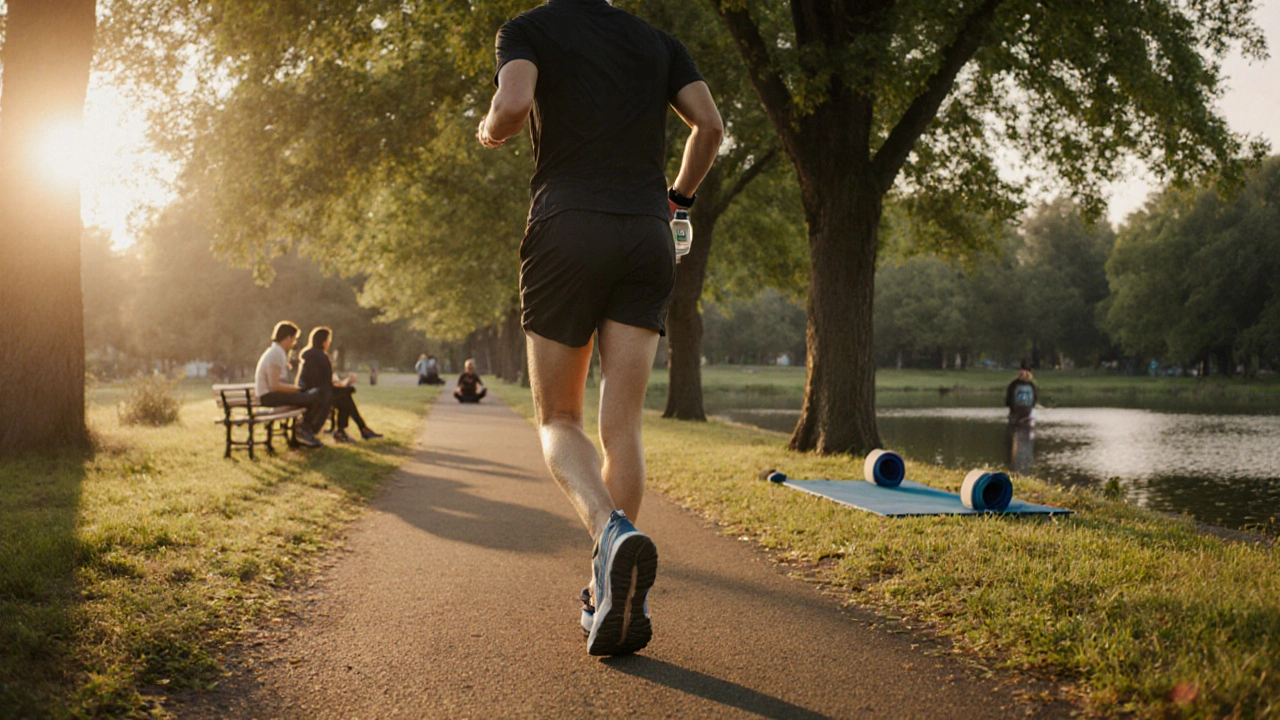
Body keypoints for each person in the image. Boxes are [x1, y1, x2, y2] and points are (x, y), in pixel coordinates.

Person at [479, 0, 721, 656]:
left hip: (567, 224)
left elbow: (514, 104)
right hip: (648, 231)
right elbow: (710, 127)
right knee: (624, 428)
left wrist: (490, 130)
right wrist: (678, 201)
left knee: (558, 418)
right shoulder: (659, 43)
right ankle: (604, 591)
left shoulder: (527, 29)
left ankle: (609, 534)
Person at [297, 327, 383, 442]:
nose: (329, 343)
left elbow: (322, 382)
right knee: (347, 394)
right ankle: (355, 430)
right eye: (329, 340)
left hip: (312, 392)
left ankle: (353, 430)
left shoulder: (308, 355)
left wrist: (343, 384)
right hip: (318, 396)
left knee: (345, 396)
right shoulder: (321, 357)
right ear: (324, 341)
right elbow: (325, 385)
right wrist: (345, 385)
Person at [254, 321, 327, 448]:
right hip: (269, 396)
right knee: (315, 396)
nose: (294, 342)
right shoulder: (275, 353)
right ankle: (303, 431)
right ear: (288, 337)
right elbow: (274, 385)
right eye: (294, 338)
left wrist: (298, 391)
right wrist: (297, 390)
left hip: (272, 395)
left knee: (313, 395)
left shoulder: (277, 352)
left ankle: (303, 430)